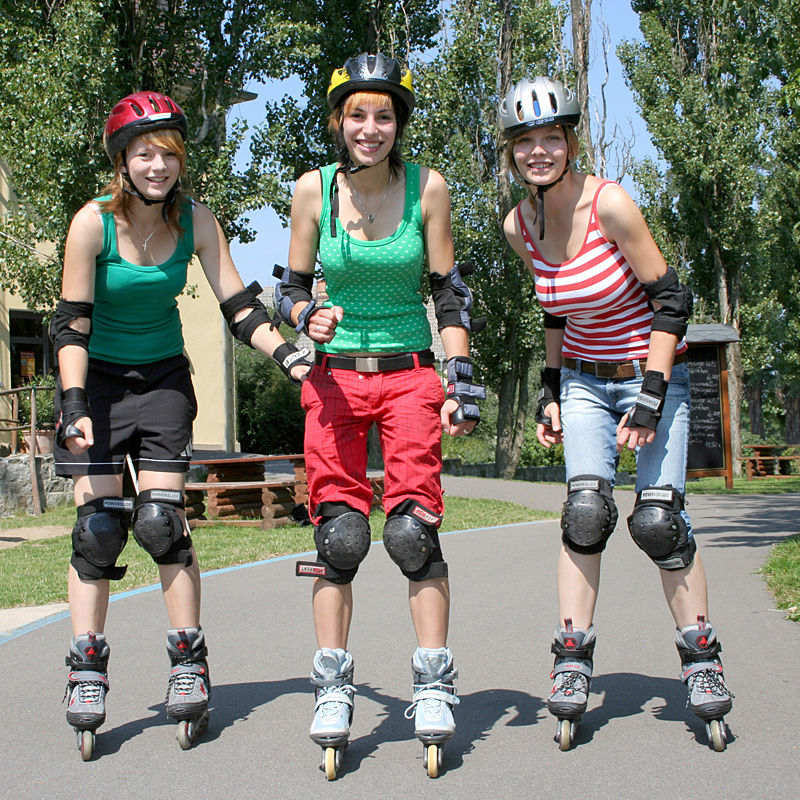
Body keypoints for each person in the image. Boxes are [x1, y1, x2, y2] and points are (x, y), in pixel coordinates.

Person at [52, 91, 311, 759]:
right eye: (144, 153)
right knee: (99, 529)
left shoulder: (196, 220)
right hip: (97, 384)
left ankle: (188, 661)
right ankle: (86, 670)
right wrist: (75, 402)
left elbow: (238, 305)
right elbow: (70, 323)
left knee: (163, 522)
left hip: (164, 378)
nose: (157, 164)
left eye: (168, 152)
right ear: (122, 161)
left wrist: (284, 353)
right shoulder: (91, 225)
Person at [499, 76, 733, 751]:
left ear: (570, 143)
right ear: (512, 152)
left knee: (658, 521)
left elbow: (673, 300)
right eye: (526, 142)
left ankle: (702, 658)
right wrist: (549, 388)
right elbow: (554, 308)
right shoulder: (520, 225)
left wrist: (654, 393)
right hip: (582, 379)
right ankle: (572, 659)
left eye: (551, 138)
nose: (539, 151)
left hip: (651, 370)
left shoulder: (611, 205)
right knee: (585, 512)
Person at [275, 53, 483, 778]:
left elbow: (449, 293)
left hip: (409, 376)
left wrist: (459, 376)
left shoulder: (429, 187)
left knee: (411, 534)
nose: (371, 128)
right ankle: (333, 684)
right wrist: (309, 315)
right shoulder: (313, 190)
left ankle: (431, 680)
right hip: (334, 381)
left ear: (399, 123)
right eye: (357, 114)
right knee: (338, 537)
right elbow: (289, 291)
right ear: (338, 122)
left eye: (384, 115)